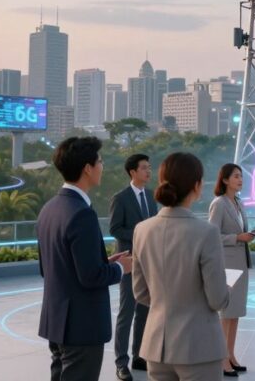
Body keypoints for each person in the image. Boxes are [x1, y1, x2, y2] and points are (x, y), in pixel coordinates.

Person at [36, 136, 133, 381]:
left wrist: (105, 262)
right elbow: (90, 277)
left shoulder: (49, 209)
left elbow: (50, 267)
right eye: (99, 161)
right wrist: (121, 269)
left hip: (56, 321)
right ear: (87, 168)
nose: (102, 166)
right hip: (82, 326)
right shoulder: (82, 214)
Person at [132, 152, 231, 381]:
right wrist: (228, 290)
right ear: (197, 186)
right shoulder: (206, 232)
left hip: (156, 347)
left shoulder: (142, 230)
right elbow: (217, 299)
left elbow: (141, 293)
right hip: (199, 347)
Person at [110, 154, 157, 380]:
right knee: (127, 312)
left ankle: (139, 356)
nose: (149, 172)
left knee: (145, 311)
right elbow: (115, 228)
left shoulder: (150, 196)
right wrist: (140, 233)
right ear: (133, 172)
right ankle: (121, 362)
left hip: (149, 262)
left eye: (149, 168)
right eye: (145, 168)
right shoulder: (120, 198)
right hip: (129, 263)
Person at [208, 163, 255, 377]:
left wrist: (246, 236)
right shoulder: (219, 204)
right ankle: (221, 359)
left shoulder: (238, 202)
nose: (240, 180)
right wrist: (237, 238)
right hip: (227, 264)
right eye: (236, 176)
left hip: (241, 262)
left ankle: (231, 355)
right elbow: (212, 236)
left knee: (235, 313)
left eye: (241, 176)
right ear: (225, 179)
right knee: (226, 314)